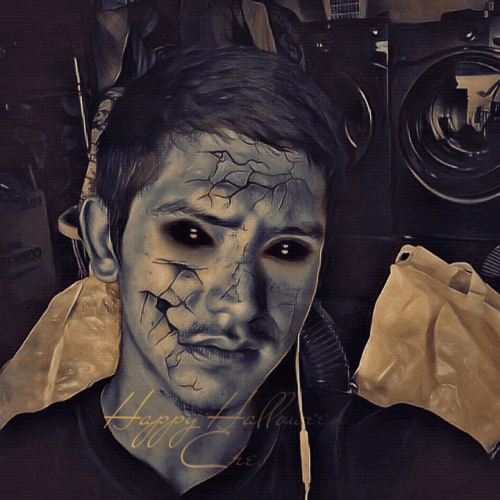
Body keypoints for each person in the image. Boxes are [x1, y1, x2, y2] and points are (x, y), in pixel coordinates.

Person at [0, 44, 350, 499]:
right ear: (104, 240)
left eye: (287, 248)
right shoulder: (20, 470)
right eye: (191, 234)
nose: (240, 305)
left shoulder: (386, 457)